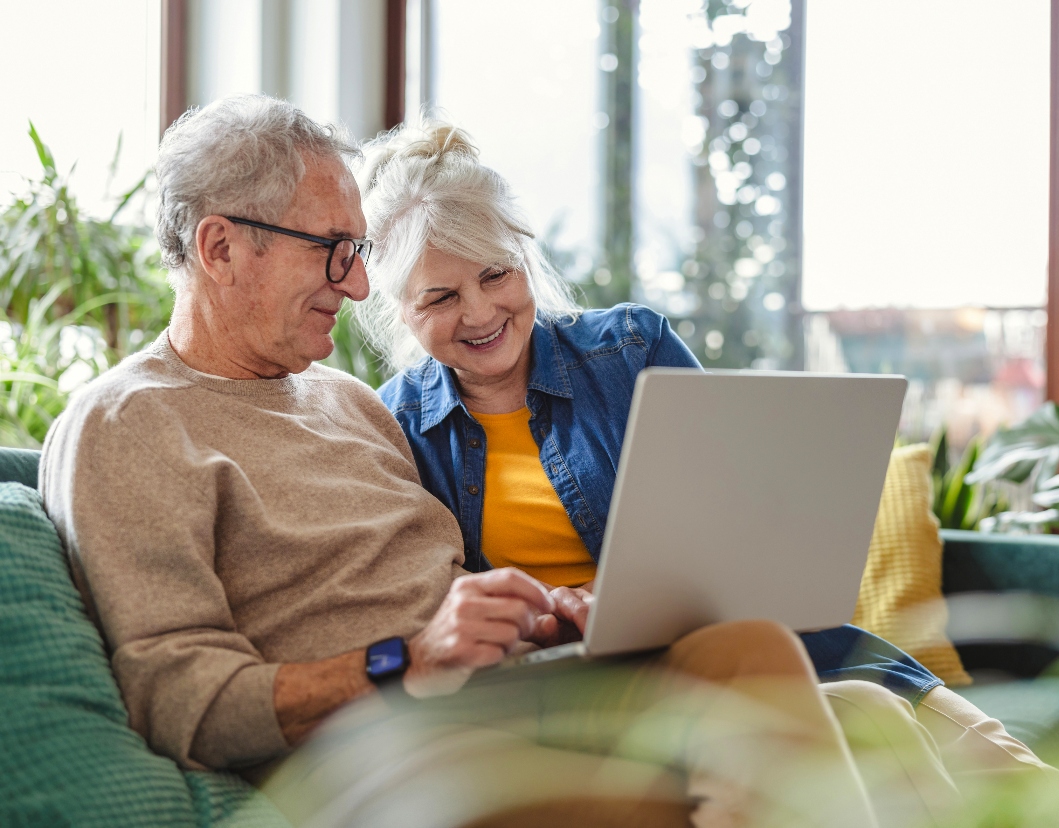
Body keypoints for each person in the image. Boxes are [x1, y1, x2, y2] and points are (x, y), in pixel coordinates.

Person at [36, 95, 978, 828]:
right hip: (378, 756)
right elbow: (178, 699)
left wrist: (533, 616)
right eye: (334, 253)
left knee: (855, 708)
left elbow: (444, 594)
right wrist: (405, 657)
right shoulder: (127, 425)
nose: (362, 287)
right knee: (804, 731)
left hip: (507, 700)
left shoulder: (348, 405)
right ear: (219, 247)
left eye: (358, 252)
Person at [357, 119, 1059, 811]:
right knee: (874, 721)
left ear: (525, 257)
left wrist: (631, 592)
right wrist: (548, 616)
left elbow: (743, 527)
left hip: (770, 644)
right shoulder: (392, 428)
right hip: (607, 689)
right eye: (442, 297)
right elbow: (438, 615)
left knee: (1018, 778)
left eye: (495, 274)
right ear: (399, 309)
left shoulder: (630, 350)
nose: (481, 311)